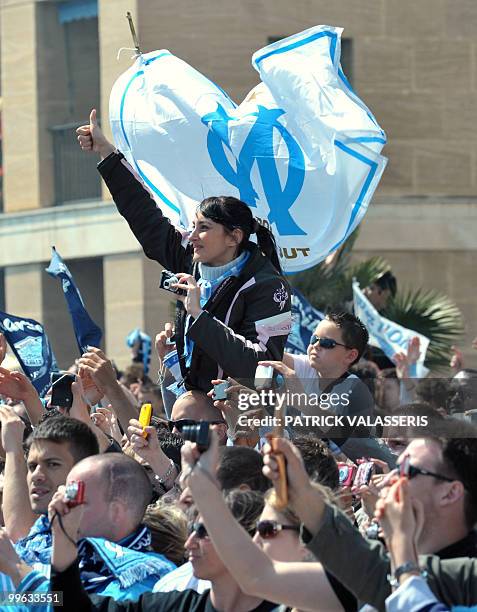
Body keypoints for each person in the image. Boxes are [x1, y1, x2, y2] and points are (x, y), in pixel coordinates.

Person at [77, 110, 292, 394]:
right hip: (191, 407)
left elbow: (262, 367)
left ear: (234, 237)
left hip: (242, 422)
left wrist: (198, 316)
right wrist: (106, 152)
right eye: (192, 226)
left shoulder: (268, 286)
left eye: (204, 228)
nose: (192, 236)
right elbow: (145, 218)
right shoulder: (190, 259)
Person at [43, 488, 286, 611]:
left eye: (204, 532)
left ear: (246, 539)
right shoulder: (175, 604)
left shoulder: (293, 606)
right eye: (192, 530)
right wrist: (63, 537)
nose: (189, 543)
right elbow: (75, 608)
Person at [14, 453, 176, 601]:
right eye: (65, 494)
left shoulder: (143, 579)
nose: (61, 505)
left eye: (75, 500)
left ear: (116, 512)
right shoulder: (50, 549)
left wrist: (18, 572)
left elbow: (69, 605)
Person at [1, 413, 99, 544]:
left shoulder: (99, 544)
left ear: (84, 469)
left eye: (52, 464)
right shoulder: (39, 531)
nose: (36, 475)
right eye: (32, 466)